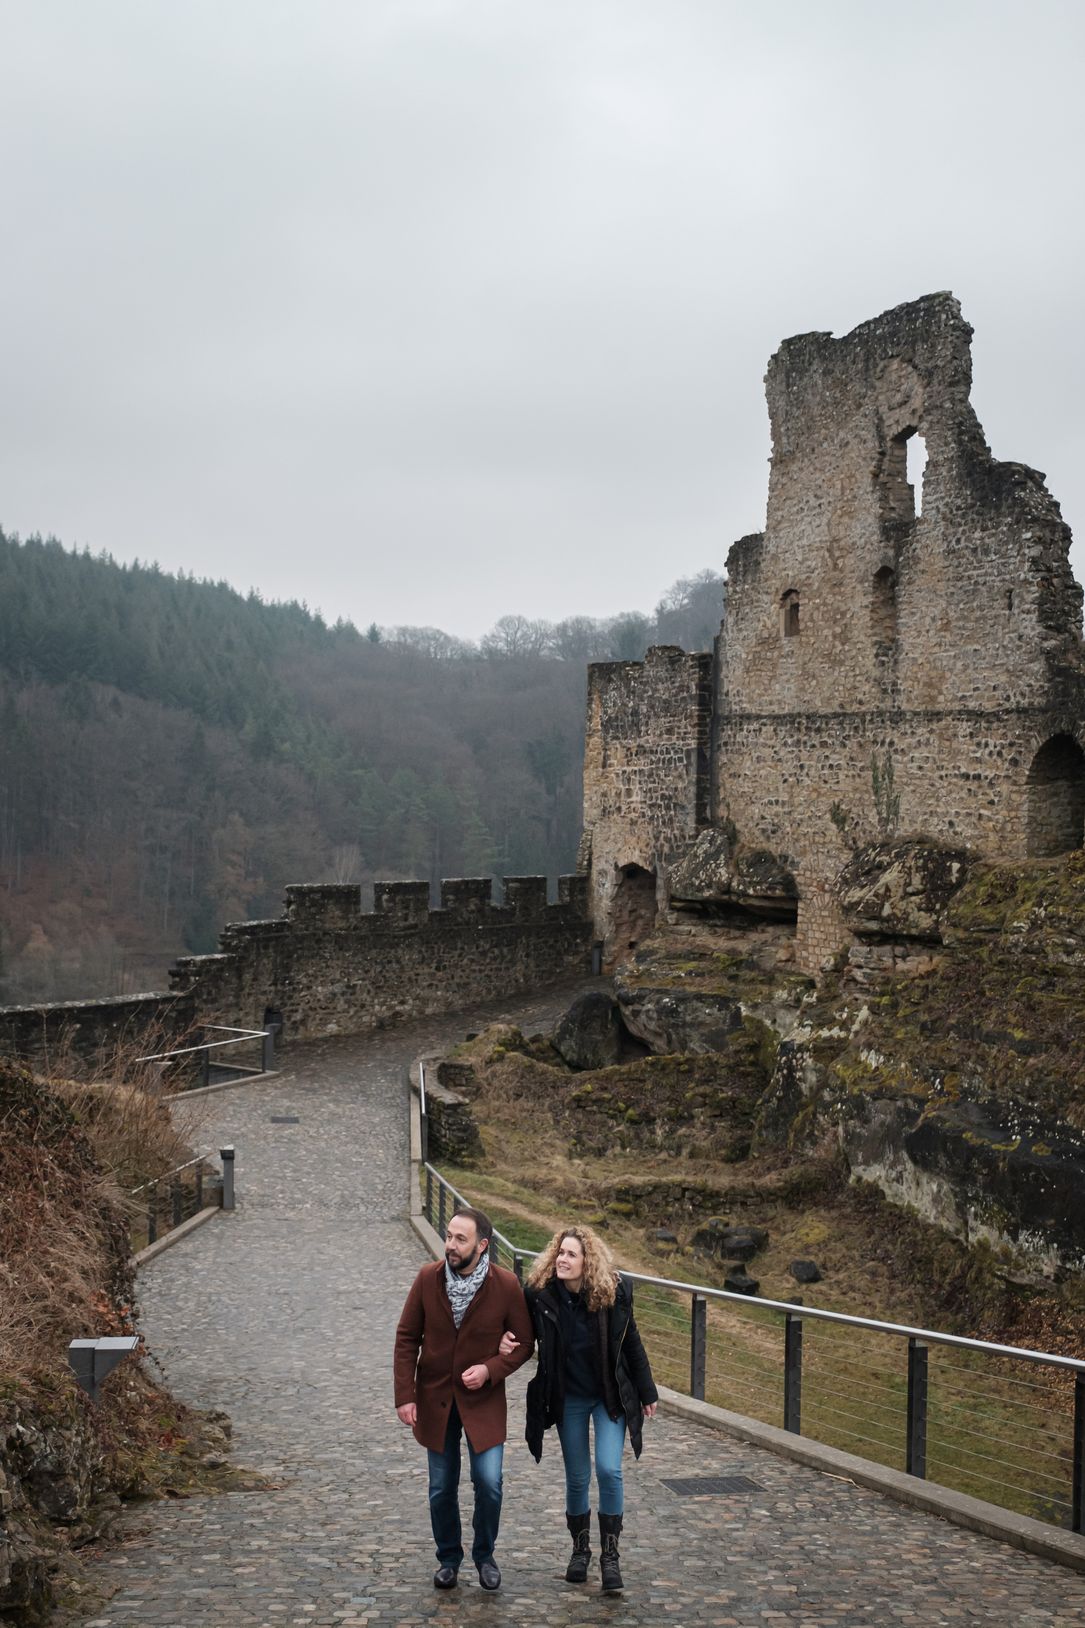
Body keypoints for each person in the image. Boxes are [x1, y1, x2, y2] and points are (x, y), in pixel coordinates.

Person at [502, 1224, 658, 1594]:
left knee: (608, 1469)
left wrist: (647, 1391)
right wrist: (503, 1337)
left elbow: (630, 1341)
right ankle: (579, 1551)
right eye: (560, 1252)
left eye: (571, 1254)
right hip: (568, 1397)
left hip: (608, 1397)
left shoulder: (614, 1293)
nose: (562, 1259)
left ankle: (610, 1556)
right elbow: (517, 1327)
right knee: (576, 1477)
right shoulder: (540, 1296)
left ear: (588, 1261)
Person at [394, 1206, 534, 1593]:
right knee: (441, 1486)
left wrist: (490, 1369)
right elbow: (406, 1337)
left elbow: (523, 1343)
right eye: (449, 1236)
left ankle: (485, 1555)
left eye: (460, 1239)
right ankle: (448, 1560)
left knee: (489, 1482)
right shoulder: (427, 1278)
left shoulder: (505, 1286)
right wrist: (405, 1396)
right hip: (434, 1398)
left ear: (482, 1244)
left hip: (483, 1402)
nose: (450, 1245)